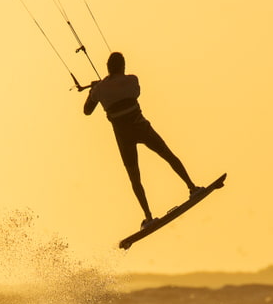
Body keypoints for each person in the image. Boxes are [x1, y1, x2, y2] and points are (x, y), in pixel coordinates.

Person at [83, 52, 201, 227]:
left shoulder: (99, 89)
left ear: (108, 68)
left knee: (135, 178)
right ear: (123, 67)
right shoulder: (132, 80)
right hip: (142, 129)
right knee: (169, 156)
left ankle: (148, 217)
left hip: (125, 138)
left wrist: (93, 90)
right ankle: (192, 187)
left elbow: (87, 110)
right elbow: (134, 93)